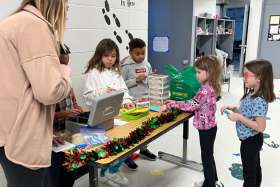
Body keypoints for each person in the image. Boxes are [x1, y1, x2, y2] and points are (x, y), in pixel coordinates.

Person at [0, 1, 71, 187]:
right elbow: (50, 91)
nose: (68, 8)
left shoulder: (11, 22)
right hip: (21, 135)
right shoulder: (34, 25)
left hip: (6, 131)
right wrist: (64, 74)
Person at [162, 55, 222, 187]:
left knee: (206, 158)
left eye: (199, 72)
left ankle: (209, 184)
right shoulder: (212, 86)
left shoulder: (204, 90)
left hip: (206, 129)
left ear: (209, 73)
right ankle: (214, 180)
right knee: (209, 155)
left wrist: (172, 104)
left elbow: (192, 105)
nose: (196, 75)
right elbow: (195, 103)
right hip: (211, 127)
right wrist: (176, 101)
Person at [83, 38, 132, 187]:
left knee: (128, 141)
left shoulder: (116, 73)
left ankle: (111, 171)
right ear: (99, 56)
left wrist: (128, 100)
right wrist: (104, 93)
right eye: (106, 56)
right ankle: (105, 173)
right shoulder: (93, 73)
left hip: (117, 116)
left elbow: (124, 90)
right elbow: (88, 95)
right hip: (99, 118)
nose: (110, 60)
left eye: (113, 56)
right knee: (105, 148)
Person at [221, 59, 275, 187]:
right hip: (251, 140)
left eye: (246, 75)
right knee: (255, 167)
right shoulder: (252, 93)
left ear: (259, 78)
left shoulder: (259, 100)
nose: (243, 78)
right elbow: (248, 113)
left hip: (251, 141)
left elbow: (260, 127)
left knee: (249, 174)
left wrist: (239, 117)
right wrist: (234, 109)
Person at [49, 44, 84, 187]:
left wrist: (77, 108)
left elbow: (74, 102)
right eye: (61, 66)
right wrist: (64, 114)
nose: (65, 71)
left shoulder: (67, 81)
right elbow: (43, 116)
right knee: (56, 175)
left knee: (71, 172)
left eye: (67, 65)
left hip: (68, 132)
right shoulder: (48, 86)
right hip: (54, 138)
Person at [121, 38, 156, 170]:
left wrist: (150, 79)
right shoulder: (125, 66)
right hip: (132, 103)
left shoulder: (147, 64)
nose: (141, 56)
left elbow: (151, 79)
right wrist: (135, 79)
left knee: (146, 128)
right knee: (133, 131)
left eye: (143, 53)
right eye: (137, 54)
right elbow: (121, 84)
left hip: (146, 100)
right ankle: (127, 156)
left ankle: (143, 149)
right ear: (130, 53)